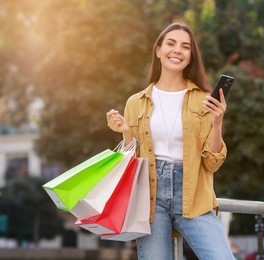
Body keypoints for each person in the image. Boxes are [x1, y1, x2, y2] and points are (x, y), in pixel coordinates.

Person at [106, 22, 234, 260]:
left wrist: (217, 123)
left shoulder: (204, 100)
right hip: (151, 200)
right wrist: (125, 131)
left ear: (190, 57)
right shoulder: (136, 102)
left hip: (194, 195)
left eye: (185, 47)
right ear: (158, 50)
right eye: (171, 43)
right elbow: (130, 162)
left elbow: (212, 163)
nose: (178, 50)